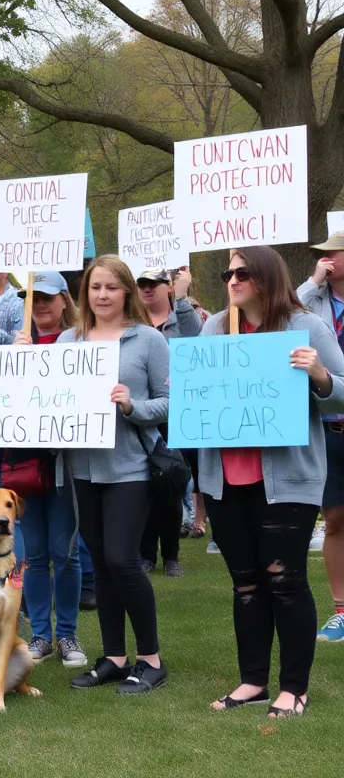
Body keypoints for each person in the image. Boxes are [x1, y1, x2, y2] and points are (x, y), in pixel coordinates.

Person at [203, 246, 344, 717]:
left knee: (284, 580)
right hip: (224, 478)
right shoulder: (214, 328)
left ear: (267, 276)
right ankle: (252, 682)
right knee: (245, 583)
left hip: (287, 479)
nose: (233, 280)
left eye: (243, 272)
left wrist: (319, 375)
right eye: (228, 273)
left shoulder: (305, 327)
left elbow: (341, 391)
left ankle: (294, 688)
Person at [60, 255, 170, 695]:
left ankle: (151, 659)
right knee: (102, 563)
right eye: (95, 287)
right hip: (83, 468)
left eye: (111, 287)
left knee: (123, 559)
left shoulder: (148, 340)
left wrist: (131, 405)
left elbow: (171, 403)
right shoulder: (68, 340)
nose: (102, 295)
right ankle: (114, 657)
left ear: (127, 291)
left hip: (131, 467)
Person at [8, 272, 88, 667]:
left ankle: (67, 634)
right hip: (22, 463)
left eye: (46, 297)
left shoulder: (80, 344)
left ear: (64, 301)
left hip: (64, 465)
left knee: (65, 552)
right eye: (31, 298)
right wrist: (14, 361)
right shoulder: (14, 346)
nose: (38, 305)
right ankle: (41, 634)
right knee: (35, 554)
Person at [137, 268, 200, 578]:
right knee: (144, 486)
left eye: (154, 283)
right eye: (142, 284)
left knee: (170, 485)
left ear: (168, 287)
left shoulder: (182, 320)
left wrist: (183, 295)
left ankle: (171, 555)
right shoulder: (132, 325)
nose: (148, 289)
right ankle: (146, 553)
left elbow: (196, 333)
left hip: (176, 416)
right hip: (140, 414)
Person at [297, 232, 344, 642]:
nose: (326, 259)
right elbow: (286, 314)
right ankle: (342, 611)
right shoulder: (313, 301)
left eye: (334, 252)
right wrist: (313, 281)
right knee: (334, 520)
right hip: (330, 424)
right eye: (322, 254)